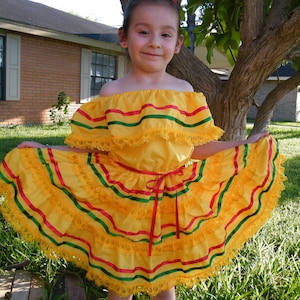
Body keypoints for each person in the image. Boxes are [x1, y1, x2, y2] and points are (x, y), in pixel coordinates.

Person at [0, 0, 285, 299]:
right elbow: (91, 148)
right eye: (143, 32)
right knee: (122, 283)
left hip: (173, 201)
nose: (154, 42)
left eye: (165, 34)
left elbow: (196, 148)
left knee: (165, 283)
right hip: (125, 201)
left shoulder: (185, 93)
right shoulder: (112, 93)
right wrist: (44, 151)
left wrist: (243, 145)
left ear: (177, 44)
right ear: (124, 37)